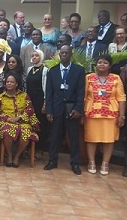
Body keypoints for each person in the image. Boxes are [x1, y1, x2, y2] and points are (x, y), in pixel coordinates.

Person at [45, 45, 85, 175]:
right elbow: (49, 93)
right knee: (54, 136)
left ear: (71, 54)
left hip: (72, 109)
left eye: (66, 53)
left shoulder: (79, 70)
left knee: (73, 137)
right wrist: (49, 110)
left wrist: (78, 109)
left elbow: (81, 92)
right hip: (56, 109)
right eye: (61, 53)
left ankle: (75, 163)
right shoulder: (53, 71)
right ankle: (52, 160)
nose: (63, 55)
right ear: (59, 54)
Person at [84, 54, 126, 175]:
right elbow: (83, 96)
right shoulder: (89, 78)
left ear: (110, 65)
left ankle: (105, 163)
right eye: (99, 62)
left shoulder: (116, 78)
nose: (101, 64)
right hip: (92, 113)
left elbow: (121, 98)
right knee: (91, 138)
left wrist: (122, 116)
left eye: (105, 62)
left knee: (109, 140)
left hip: (111, 114)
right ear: (96, 65)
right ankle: (91, 162)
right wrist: (82, 113)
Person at [0, 73, 40, 167]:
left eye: (12, 82)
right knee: (7, 131)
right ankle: (10, 156)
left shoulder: (24, 95)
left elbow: (30, 110)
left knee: (26, 132)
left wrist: (19, 118)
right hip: (7, 122)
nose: (9, 84)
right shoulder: (0, 97)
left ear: (16, 84)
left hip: (23, 121)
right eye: (7, 82)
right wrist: (8, 119)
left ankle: (17, 156)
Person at [26, 50, 49, 157]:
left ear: (41, 56)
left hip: (40, 100)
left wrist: (45, 103)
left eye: (36, 55)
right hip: (29, 100)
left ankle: (39, 149)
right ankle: (29, 148)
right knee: (29, 122)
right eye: (33, 55)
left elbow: (46, 87)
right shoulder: (29, 69)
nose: (34, 57)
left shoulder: (45, 70)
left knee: (40, 124)